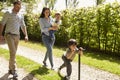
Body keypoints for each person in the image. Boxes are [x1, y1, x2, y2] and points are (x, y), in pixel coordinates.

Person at [0, 1, 28, 78]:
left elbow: (23, 26)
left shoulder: (21, 15)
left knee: (13, 53)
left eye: (20, 7)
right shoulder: (8, 13)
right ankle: (14, 70)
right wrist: (0, 34)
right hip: (9, 35)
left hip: (17, 36)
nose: (18, 8)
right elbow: (2, 23)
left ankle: (10, 68)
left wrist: (26, 35)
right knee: (13, 52)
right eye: (17, 7)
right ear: (14, 6)